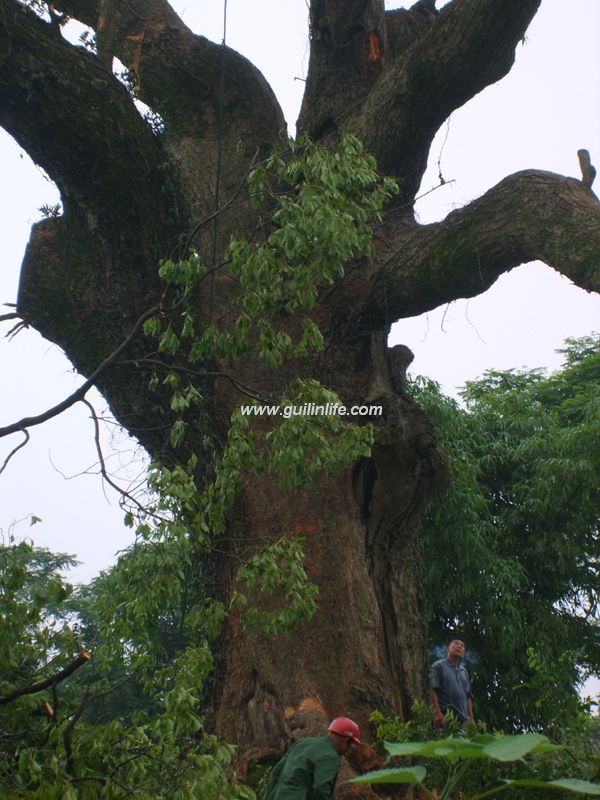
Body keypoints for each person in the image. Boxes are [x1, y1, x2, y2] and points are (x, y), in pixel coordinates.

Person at [265, 716, 361, 800]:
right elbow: (321, 789)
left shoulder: (303, 743)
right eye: (350, 744)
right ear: (346, 739)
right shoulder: (330, 755)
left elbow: (276, 772)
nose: (348, 749)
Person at [430, 639, 475, 728]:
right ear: (448, 649)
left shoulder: (464, 671)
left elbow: (468, 696)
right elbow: (432, 690)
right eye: (456, 644)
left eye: (462, 646)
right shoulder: (439, 666)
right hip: (447, 717)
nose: (459, 646)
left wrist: (471, 718)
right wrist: (437, 713)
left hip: (464, 721)